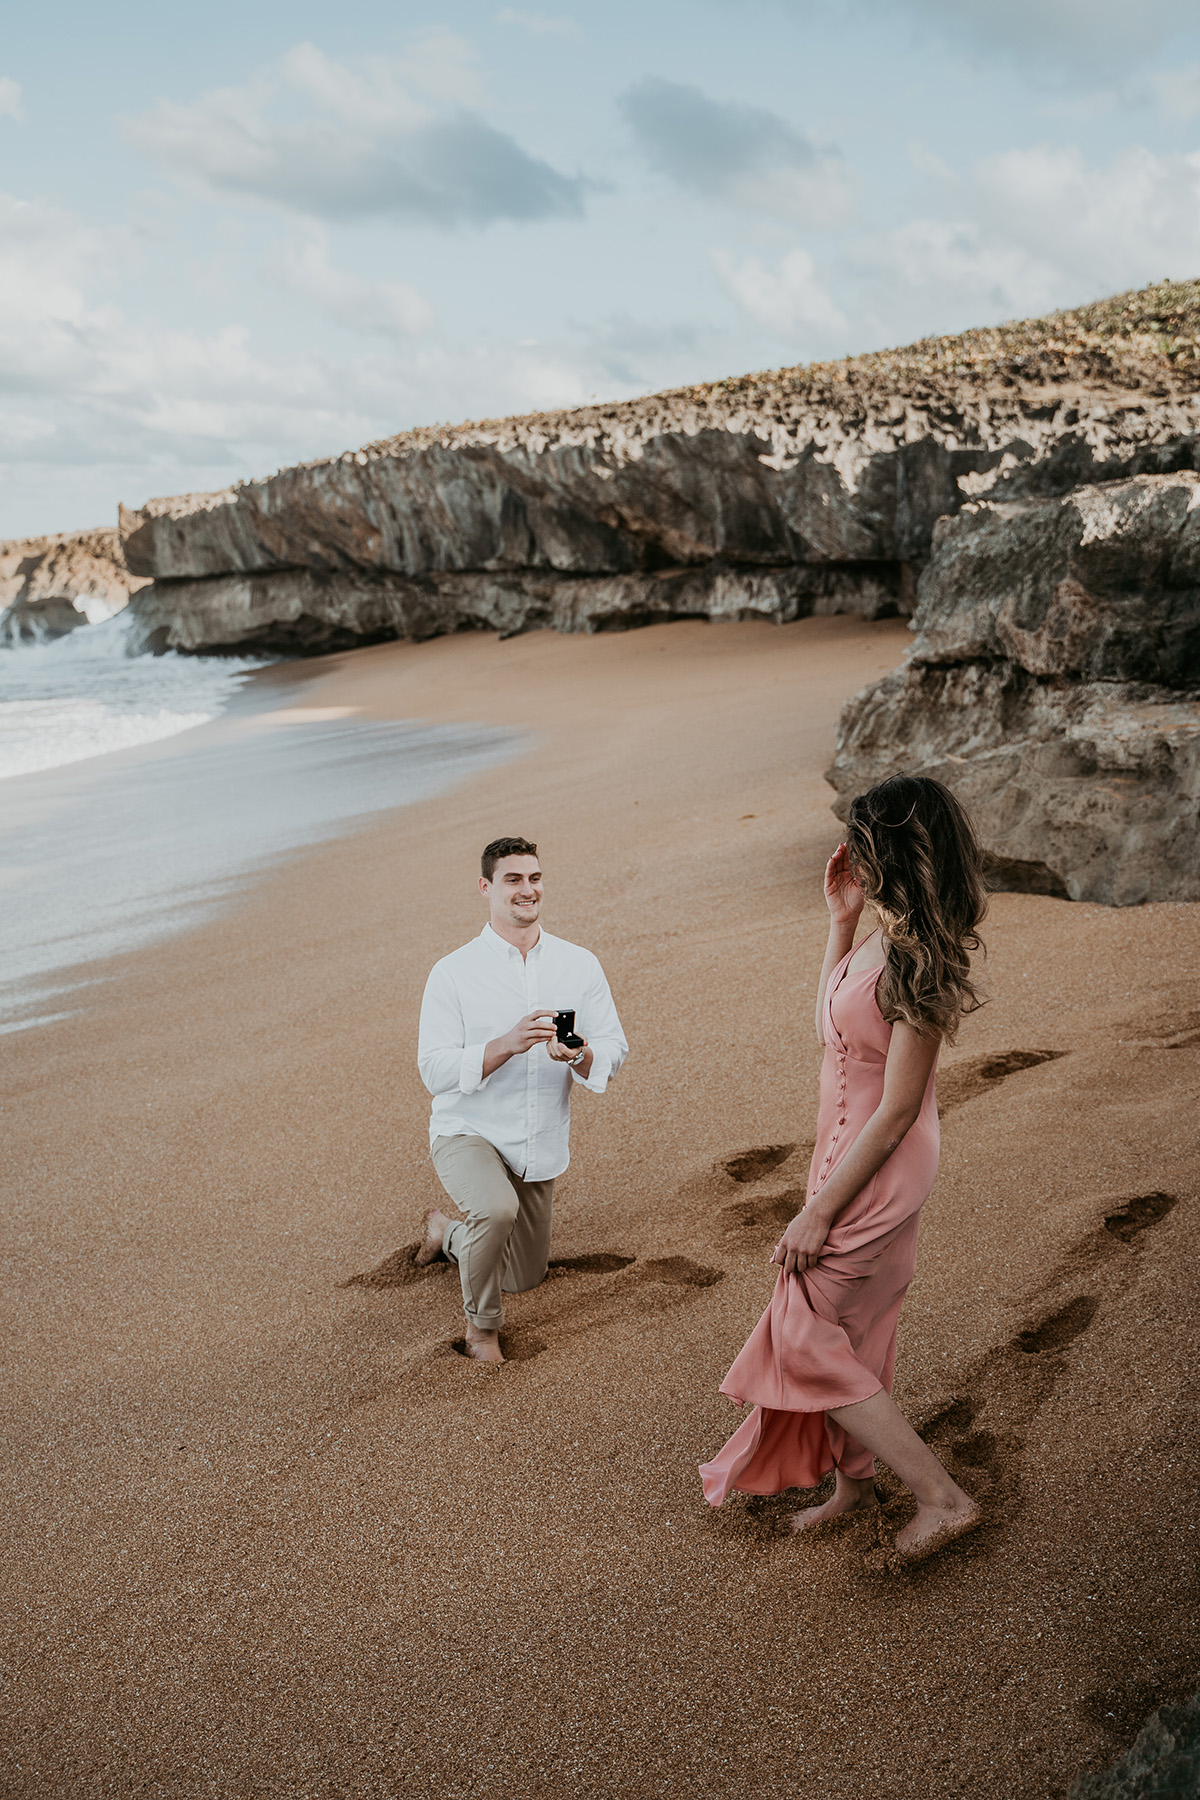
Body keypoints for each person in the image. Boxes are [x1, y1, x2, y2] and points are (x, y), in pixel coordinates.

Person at [699, 775, 987, 1563]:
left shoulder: (921, 956)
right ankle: (854, 1485)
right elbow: (829, 1023)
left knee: (802, 1337)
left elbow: (896, 1110)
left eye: (861, 841)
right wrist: (840, 920)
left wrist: (820, 1211)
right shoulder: (881, 937)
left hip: (875, 1169)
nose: (848, 853)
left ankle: (944, 1498)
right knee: (856, 1330)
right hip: (843, 1157)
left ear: (891, 849)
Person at [415, 836, 628, 1363]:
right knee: (495, 1206)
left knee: (524, 1277)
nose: (526, 890)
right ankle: (481, 1331)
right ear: (486, 888)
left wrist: (576, 1055)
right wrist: (505, 1045)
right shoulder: (452, 972)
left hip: (537, 1141)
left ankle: (448, 1236)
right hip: (468, 1129)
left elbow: (613, 1048)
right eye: (512, 879)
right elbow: (434, 1070)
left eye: (534, 878)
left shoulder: (580, 964)